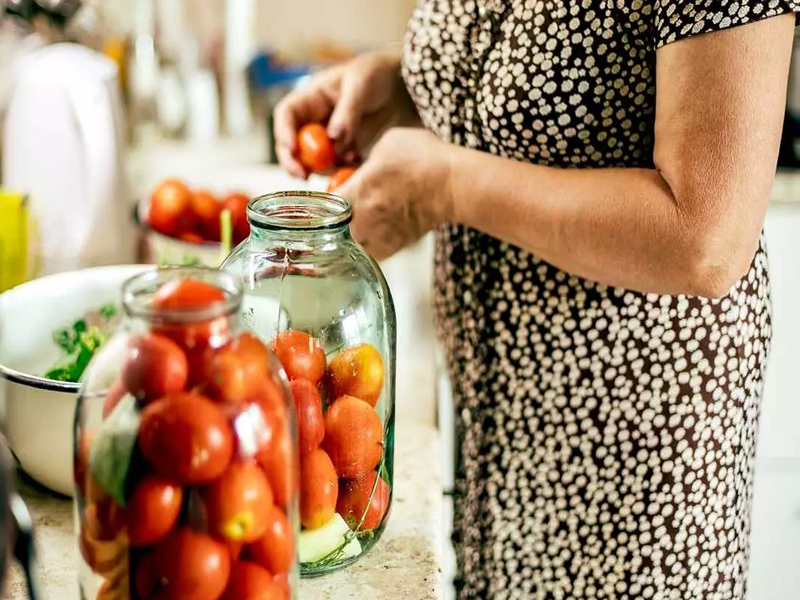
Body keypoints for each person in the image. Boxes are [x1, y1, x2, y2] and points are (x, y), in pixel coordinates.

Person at [274, 2, 798, 599]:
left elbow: (706, 240)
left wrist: (443, 187)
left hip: (635, 446)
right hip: (498, 422)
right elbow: (559, 75)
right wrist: (407, 90)